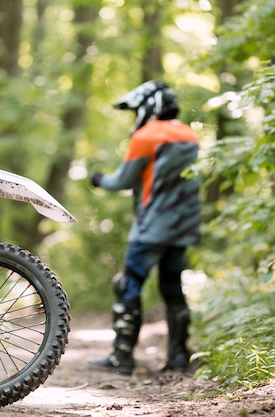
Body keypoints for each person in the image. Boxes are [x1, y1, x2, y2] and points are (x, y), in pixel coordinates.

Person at [88, 80, 200, 375]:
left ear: (150, 106)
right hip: (182, 227)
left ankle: (121, 356)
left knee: (128, 285)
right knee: (173, 289)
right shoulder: (190, 135)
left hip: (151, 226)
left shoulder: (146, 136)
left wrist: (98, 179)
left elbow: (122, 181)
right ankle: (179, 357)